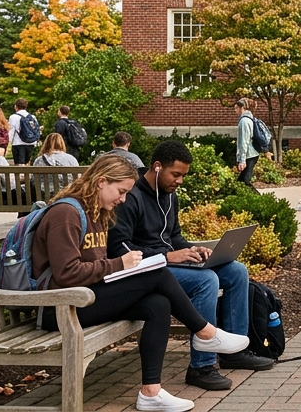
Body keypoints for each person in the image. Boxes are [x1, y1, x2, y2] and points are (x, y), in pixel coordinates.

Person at [32, 154, 250, 412]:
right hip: (58, 309)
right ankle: (205, 333)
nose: (123, 199)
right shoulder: (66, 214)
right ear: (101, 182)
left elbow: (94, 268)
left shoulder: (97, 213)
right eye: (121, 191)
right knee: (156, 273)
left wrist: (122, 269)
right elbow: (67, 273)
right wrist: (120, 265)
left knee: (157, 304)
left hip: (84, 299)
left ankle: (151, 392)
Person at [109, 140, 277, 390]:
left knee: (236, 271)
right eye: (175, 174)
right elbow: (118, 248)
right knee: (206, 281)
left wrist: (191, 249)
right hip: (148, 270)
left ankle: (234, 353)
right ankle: (201, 366)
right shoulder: (130, 198)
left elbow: (173, 236)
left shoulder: (169, 196)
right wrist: (168, 256)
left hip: (168, 263)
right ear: (157, 167)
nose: (179, 181)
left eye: (183, 176)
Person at [233, 99, 260, 185]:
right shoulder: (249, 118)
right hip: (252, 154)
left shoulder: (244, 121)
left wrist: (242, 160)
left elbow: (244, 141)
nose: (235, 110)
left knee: (245, 182)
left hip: (249, 155)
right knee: (242, 181)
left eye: (236, 108)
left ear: (242, 107)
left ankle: (259, 198)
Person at [8, 98, 39, 165]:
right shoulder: (32, 117)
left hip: (18, 142)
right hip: (31, 142)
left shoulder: (13, 117)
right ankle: (27, 175)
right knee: (27, 162)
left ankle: (20, 175)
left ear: (16, 106)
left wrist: (9, 142)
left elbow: (11, 130)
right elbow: (36, 129)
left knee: (19, 164)